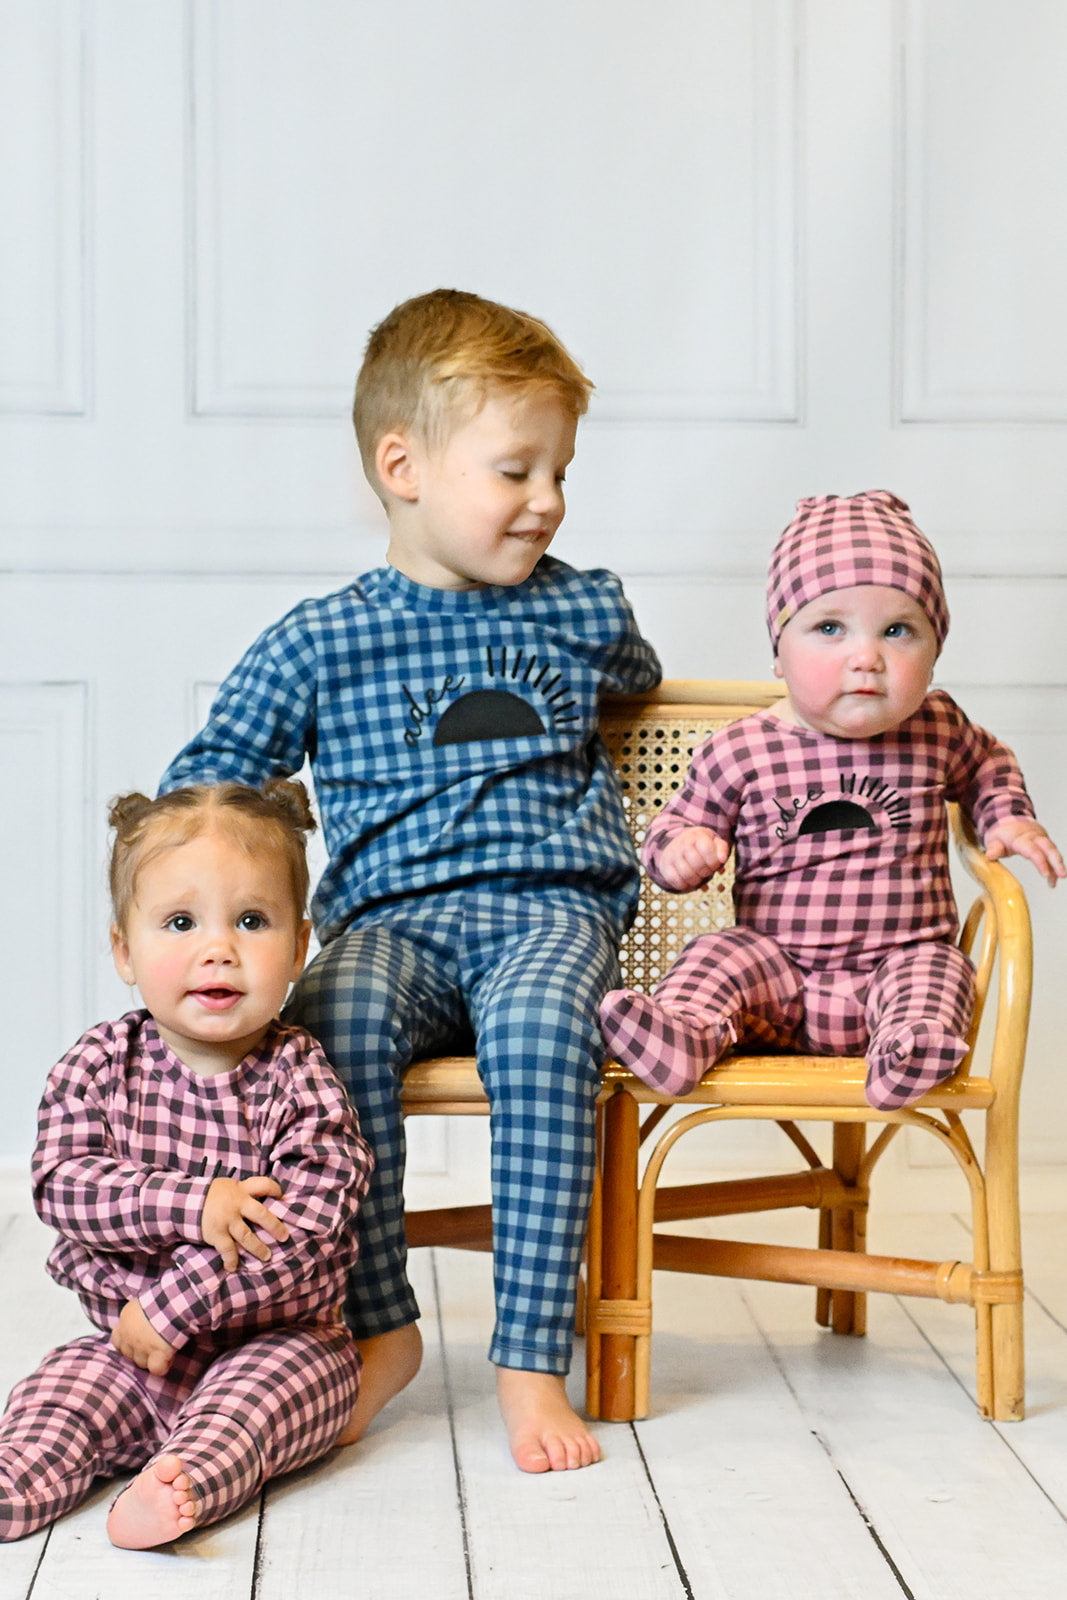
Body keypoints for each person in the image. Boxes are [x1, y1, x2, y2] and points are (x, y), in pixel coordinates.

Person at [158, 288, 662, 1473]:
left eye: (559, 472)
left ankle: (528, 1360)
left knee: (541, 1032)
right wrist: (239, 881)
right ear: (403, 467)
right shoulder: (322, 641)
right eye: (514, 470)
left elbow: (637, 679)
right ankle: (379, 1329)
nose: (547, 499)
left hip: (550, 907)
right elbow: (209, 779)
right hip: (395, 923)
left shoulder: (578, 606)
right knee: (333, 1019)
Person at [0, 780, 373, 1549]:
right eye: (180, 922)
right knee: (60, 1393)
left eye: (251, 920)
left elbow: (304, 1230)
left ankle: (180, 1484)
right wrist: (194, 1205)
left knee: (252, 1410)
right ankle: (18, 1478)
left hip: (276, 1342)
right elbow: (62, 1183)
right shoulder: (101, 1064)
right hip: (129, 1348)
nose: (218, 948)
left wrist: (174, 1306)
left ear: (298, 948)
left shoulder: (300, 1077)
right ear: (124, 950)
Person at [600, 490, 1064, 1106]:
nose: (867, 657)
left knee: (940, 970)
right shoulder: (741, 749)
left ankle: (912, 1048)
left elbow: (988, 763)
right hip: (778, 978)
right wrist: (682, 851)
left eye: (898, 631)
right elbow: (673, 829)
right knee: (717, 954)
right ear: (779, 651)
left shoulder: (937, 728)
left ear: (935, 651)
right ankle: (685, 1032)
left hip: (896, 969)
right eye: (829, 628)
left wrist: (1006, 817)